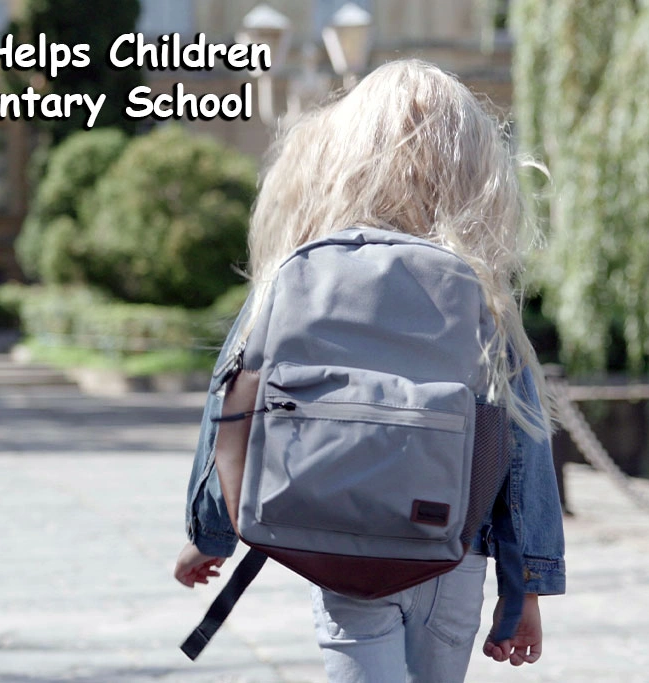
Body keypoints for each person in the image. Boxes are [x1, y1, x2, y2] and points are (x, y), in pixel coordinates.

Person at [173, 59, 565, 682]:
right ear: (475, 170)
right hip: (447, 550)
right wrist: (527, 587)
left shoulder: (297, 274)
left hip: (333, 536)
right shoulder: (478, 292)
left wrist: (212, 531)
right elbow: (521, 444)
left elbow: (233, 404)